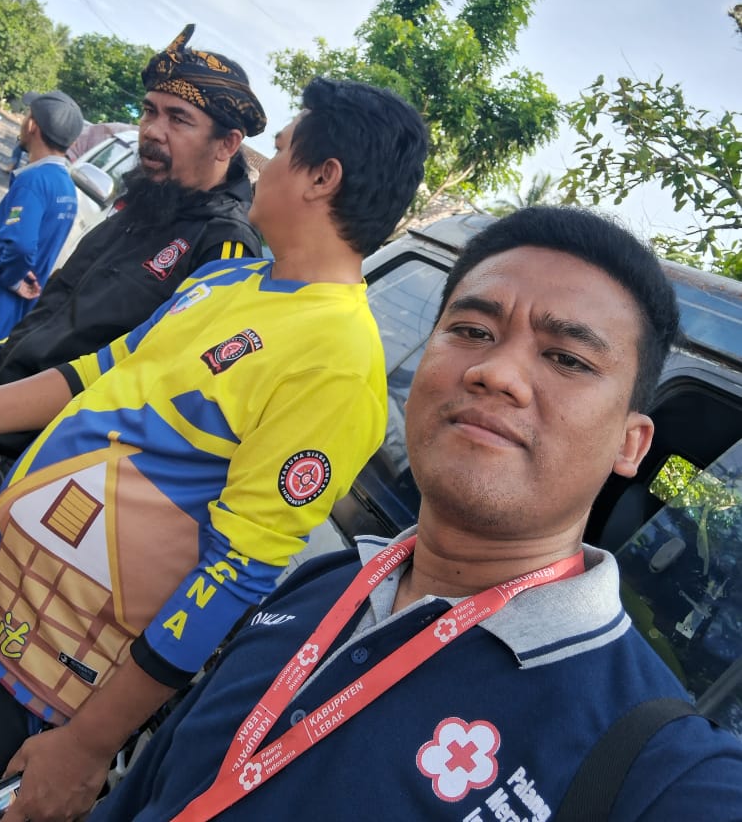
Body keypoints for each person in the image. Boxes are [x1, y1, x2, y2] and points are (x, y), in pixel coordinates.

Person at [89, 206, 742, 822]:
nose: (496, 372)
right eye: (472, 331)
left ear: (631, 444)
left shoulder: (659, 767)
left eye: (567, 358)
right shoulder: (329, 584)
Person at [0, 75, 429, 822]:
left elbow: (236, 571)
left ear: (322, 176)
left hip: (46, 679)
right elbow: (94, 374)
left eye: (281, 148)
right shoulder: (227, 279)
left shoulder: (337, 361)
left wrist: (87, 746)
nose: (259, 163)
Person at [0, 25, 264, 545]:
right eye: (150, 111)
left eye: (178, 119)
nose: (153, 130)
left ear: (227, 144)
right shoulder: (145, 203)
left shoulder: (224, 248)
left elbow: (146, 392)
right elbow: (56, 311)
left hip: (33, 477)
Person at [0, 91, 81, 378]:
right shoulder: (66, 189)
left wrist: (13, 278)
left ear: (32, 125)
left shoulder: (34, 181)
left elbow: (20, 244)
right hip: (1, 317)